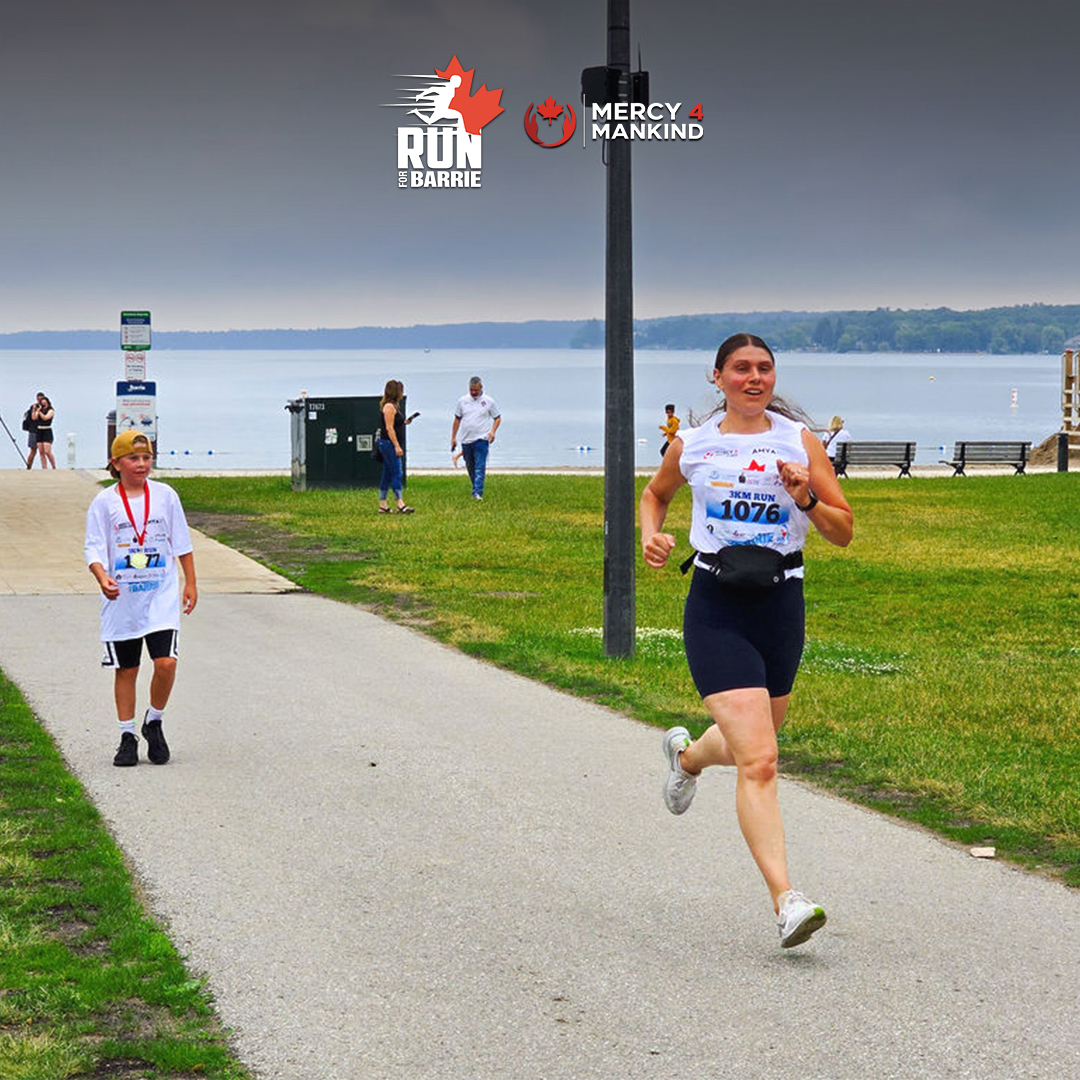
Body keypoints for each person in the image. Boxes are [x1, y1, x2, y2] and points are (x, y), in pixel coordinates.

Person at [639, 332, 853, 949]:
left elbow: (842, 531)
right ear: (718, 378)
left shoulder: (799, 442)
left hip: (781, 602)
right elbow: (655, 494)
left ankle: (685, 758)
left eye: (764, 369)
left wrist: (804, 496)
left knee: (751, 742)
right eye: (741, 369)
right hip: (716, 605)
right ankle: (788, 901)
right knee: (759, 759)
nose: (754, 378)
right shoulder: (696, 443)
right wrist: (652, 536)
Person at [84, 430, 198, 767]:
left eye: (146, 458)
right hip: (123, 601)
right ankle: (127, 736)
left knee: (166, 662)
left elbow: (181, 541)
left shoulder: (165, 496)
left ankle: (155, 722)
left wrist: (190, 582)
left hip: (160, 595)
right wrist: (101, 576)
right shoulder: (104, 502)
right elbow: (93, 546)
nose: (141, 464)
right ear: (116, 463)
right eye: (133, 459)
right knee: (127, 668)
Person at [450, 376, 501, 500]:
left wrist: (492, 432)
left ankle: (477, 493)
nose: (473, 392)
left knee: (480, 466)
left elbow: (497, 418)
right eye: (471, 390)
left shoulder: (489, 401)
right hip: (466, 439)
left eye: (476, 390)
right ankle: (476, 488)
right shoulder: (462, 401)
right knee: (470, 466)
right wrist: (453, 437)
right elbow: (457, 419)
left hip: (482, 439)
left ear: (481, 388)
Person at [377, 379, 415, 514]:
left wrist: (404, 422)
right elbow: (389, 428)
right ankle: (400, 503)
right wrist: (397, 446)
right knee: (397, 473)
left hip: (390, 444)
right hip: (389, 444)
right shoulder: (389, 407)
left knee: (387, 474)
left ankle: (383, 504)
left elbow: (395, 424)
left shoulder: (395, 406)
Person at [32, 394, 56, 468]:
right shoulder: (39, 410)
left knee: (47, 451)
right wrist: (34, 410)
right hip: (39, 430)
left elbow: (46, 418)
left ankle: (53, 465)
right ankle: (44, 467)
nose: (43, 404)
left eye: (45, 402)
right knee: (41, 452)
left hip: (47, 430)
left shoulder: (51, 410)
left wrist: (39, 412)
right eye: (42, 402)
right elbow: (34, 418)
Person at [24, 391, 44, 468]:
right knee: (33, 450)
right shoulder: (33, 407)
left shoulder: (45, 408)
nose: (40, 401)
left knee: (42, 451)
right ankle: (29, 466)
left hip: (41, 430)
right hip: (33, 430)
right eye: (39, 399)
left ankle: (44, 467)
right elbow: (33, 418)